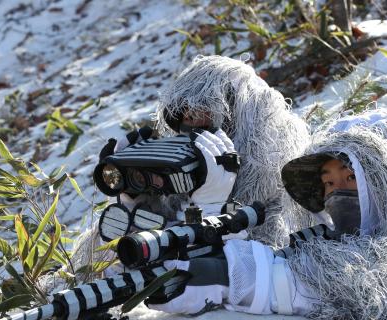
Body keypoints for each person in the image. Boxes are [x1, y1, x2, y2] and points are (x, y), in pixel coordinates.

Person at [147, 123, 387, 320]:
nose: (337, 193)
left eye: (352, 179)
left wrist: (230, 278)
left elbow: (370, 283)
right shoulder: (332, 237)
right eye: (329, 184)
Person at [66, 55, 312, 284]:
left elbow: (253, 247)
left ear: (234, 111)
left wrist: (210, 204)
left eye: (204, 115)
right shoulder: (182, 155)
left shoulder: (269, 150)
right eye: (187, 116)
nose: (193, 125)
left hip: (244, 262)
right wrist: (135, 189)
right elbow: (155, 231)